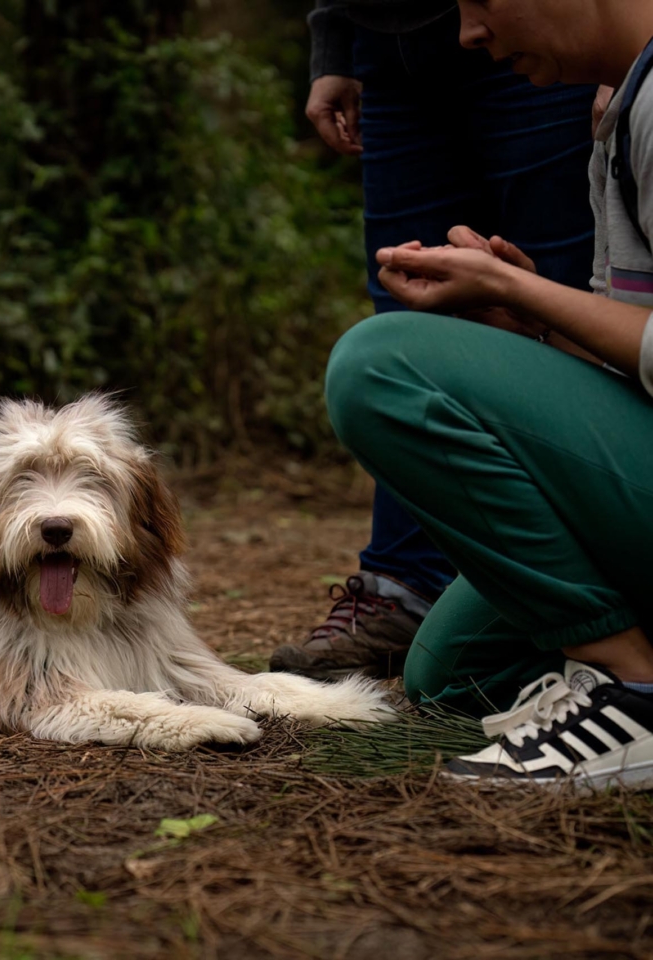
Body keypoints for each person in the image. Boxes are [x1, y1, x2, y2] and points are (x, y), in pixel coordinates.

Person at [325, 0, 653, 788]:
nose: (467, 33)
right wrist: (531, 321)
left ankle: (635, 692)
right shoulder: (618, 109)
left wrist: (521, 290)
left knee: (377, 365)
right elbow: (632, 360)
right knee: (454, 673)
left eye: (477, 0)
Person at [269, 0, 599, 681]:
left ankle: (603, 597)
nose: (468, 31)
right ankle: (405, 584)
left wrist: (615, 57)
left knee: (569, 288)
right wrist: (336, 39)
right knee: (409, 315)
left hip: (541, 33)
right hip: (388, 42)